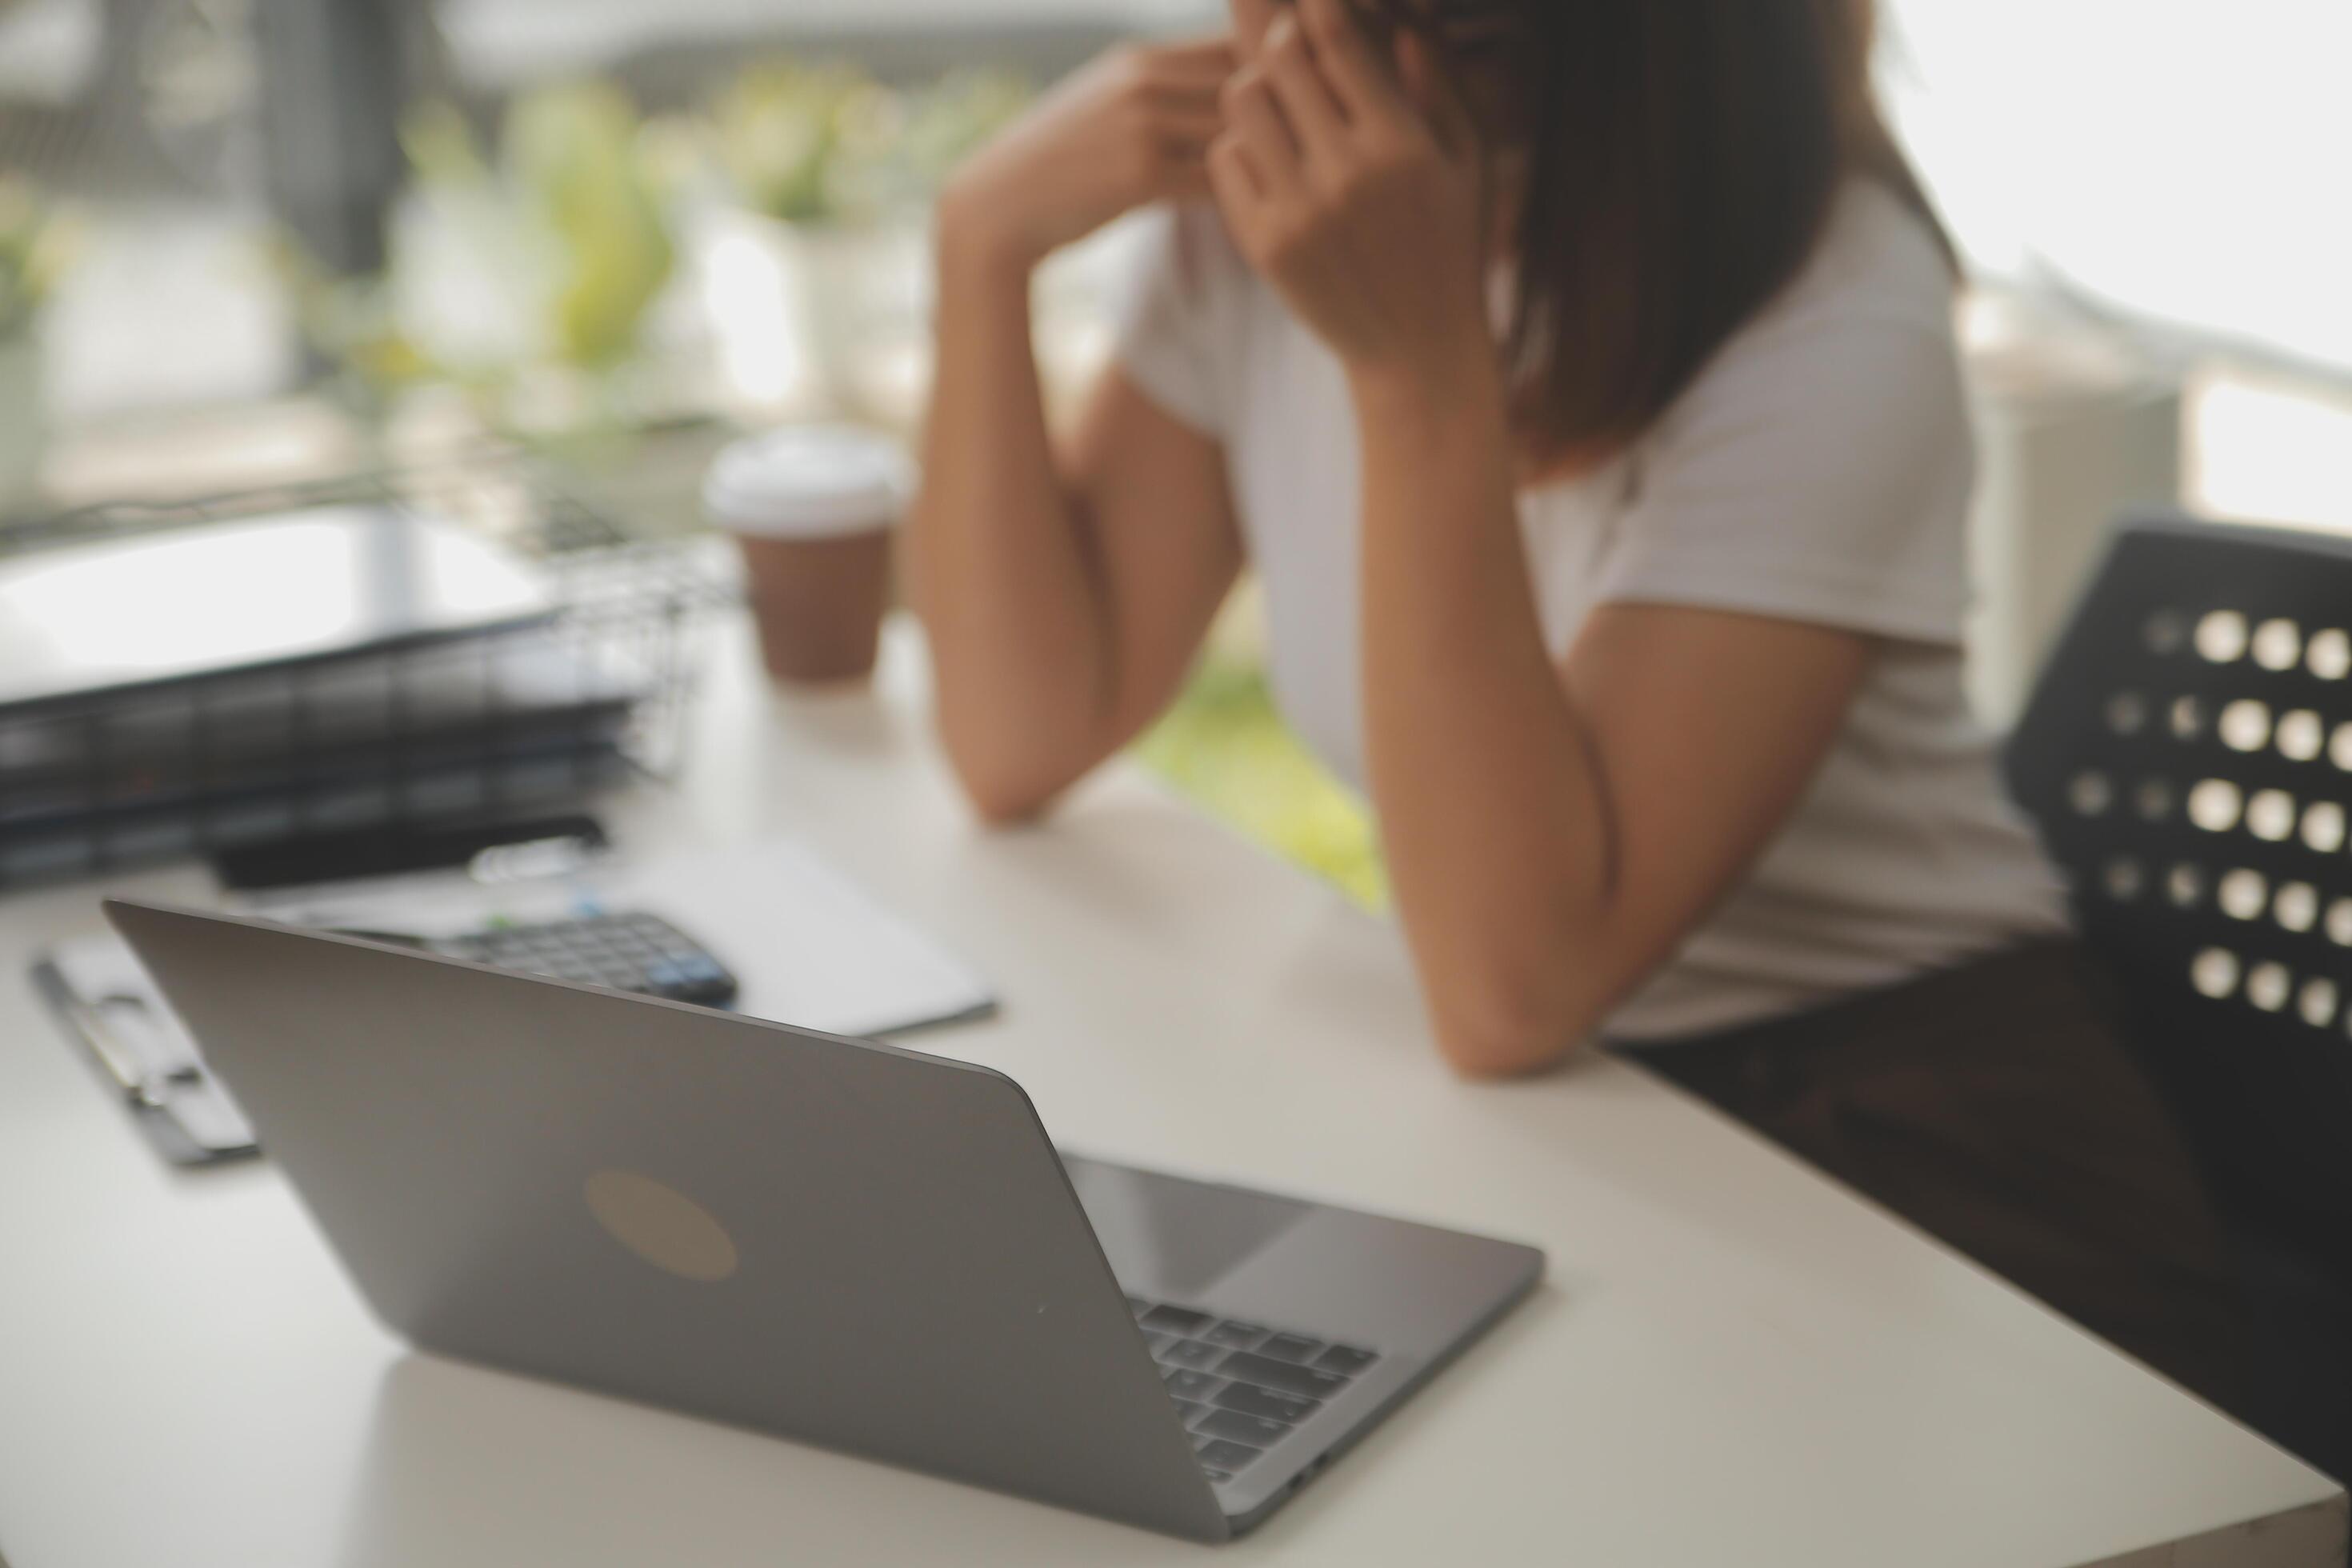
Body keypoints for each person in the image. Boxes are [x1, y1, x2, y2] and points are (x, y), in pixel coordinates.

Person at [909, 0, 2246, 1426]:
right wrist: (981, 248)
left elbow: (1514, 984)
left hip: (1915, 1148)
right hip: (1589, 1126)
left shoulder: (1834, 307)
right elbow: (1018, 735)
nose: (1289, 47)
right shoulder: (1263, 215)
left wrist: (1420, 376)